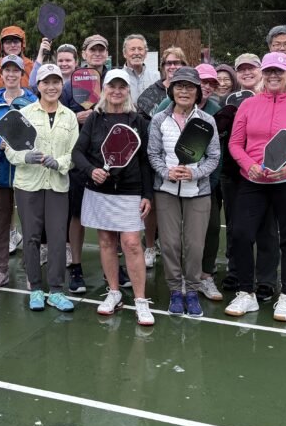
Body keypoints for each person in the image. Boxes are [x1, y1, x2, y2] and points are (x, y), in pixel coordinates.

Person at [224, 52, 286, 323]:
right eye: (268, 71)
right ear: (262, 74)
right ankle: (246, 293)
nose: (273, 76)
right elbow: (235, 144)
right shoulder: (248, 105)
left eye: (279, 71)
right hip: (253, 181)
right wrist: (249, 164)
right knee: (241, 234)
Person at [71, 69, 155, 326]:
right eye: (112, 86)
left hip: (129, 191)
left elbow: (144, 162)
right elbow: (77, 153)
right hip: (99, 191)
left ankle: (140, 300)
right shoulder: (94, 120)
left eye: (122, 87)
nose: (117, 91)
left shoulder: (137, 121)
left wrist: (147, 194)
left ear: (128, 90)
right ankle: (115, 293)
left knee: (131, 243)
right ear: (104, 89)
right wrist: (91, 170)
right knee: (106, 242)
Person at [147, 67, 220, 317]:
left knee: (195, 246)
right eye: (179, 86)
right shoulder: (159, 119)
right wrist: (167, 172)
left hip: (198, 191)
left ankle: (192, 290)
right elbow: (153, 154)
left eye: (190, 87)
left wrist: (194, 173)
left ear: (198, 91)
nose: (184, 91)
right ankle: (175, 292)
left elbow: (213, 158)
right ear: (171, 90)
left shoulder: (207, 121)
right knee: (169, 244)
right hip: (166, 191)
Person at [6, 63, 79, 312]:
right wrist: (24, 157)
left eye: (56, 82)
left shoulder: (69, 116)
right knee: (31, 237)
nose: (51, 87)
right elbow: (10, 150)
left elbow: (74, 152)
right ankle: (36, 288)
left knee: (58, 237)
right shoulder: (24, 113)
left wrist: (59, 163)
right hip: (28, 185)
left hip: (58, 185)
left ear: (62, 85)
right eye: (46, 82)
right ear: (37, 86)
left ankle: (57, 290)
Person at [61, 34, 111, 294]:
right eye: (93, 50)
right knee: (77, 215)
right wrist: (74, 116)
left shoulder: (114, 81)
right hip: (80, 160)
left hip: (108, 160)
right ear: (84, 53)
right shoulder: (70, 85)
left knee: (107, 216)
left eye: (102, 50)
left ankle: (110, 266)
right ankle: (76, 267)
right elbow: (55, 114)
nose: (98, 54)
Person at [0, 55, 38, 289]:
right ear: (1, 74)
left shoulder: (33, 101)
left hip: (27, 173)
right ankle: (1, 270)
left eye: (16, 70)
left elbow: (39, 133)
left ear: (22, 73)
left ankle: (30, 271)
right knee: (2, 223)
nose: (11, 74)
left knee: (30, 224)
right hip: (2, 174)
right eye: (7, 70)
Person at [136, 46, 190, 269]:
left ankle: (180, 252)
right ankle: (150, 247)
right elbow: (141, 123)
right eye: (168, 63)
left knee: (184, 209)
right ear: (162, 67)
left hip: (186, 161)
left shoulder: (191, 91)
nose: (172, 67)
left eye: (177, 63)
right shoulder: (151, 93)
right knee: (154, 205)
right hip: (156, 159)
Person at [0, 25, 35, 92]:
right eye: (8, 42)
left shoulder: (32, 68)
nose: (13, 45)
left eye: (16, 41)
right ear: (2, 46)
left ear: (22, 44)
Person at [121, 34, 160, 104]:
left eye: (140, 49)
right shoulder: (118, 78)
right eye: (132, 49)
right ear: (124, 53)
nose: (136, 53)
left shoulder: (156, 77)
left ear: (145, 54)